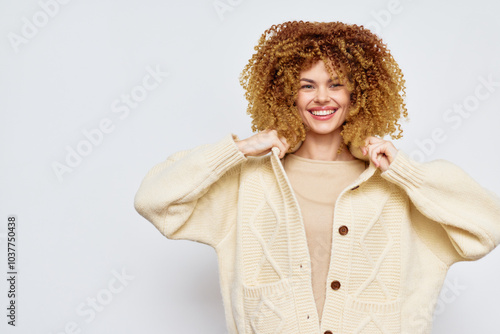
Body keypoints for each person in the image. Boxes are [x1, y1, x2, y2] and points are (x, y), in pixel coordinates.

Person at [134, 21, 500, 334]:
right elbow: (154, 201)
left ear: (358, 93)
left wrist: (405, 172)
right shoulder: (250, 181)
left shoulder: (393, 185)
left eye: (336, 84)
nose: (321, 97)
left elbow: (487, 227)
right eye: (307, 85)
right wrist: (239, 148)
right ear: (285, 93)